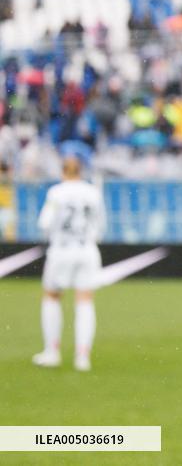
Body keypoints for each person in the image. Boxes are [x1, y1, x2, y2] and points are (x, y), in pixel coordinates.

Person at [32, 156, 106, 371]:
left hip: (62, 250)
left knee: (52, 296)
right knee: (84, 300)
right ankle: (82, 356)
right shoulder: (93, 192)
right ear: (80, 171)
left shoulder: (56, 192)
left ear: (63, 172)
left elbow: (45, 223)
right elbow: (101, 225)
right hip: (87, 250)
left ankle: (52, 351)